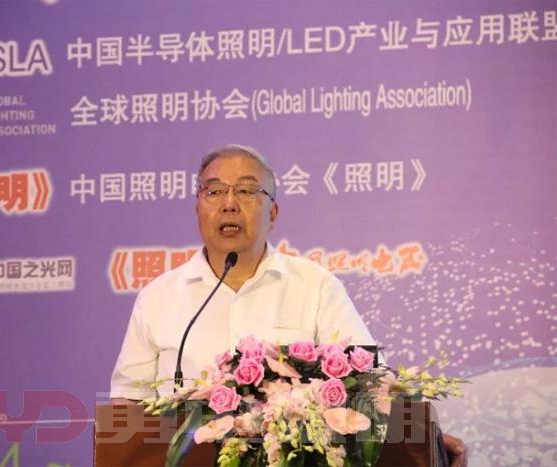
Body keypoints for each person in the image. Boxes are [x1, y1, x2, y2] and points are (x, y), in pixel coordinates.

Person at [110, 144, 467, 466]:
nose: (229, 203)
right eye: (214, 191)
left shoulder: (315, 286)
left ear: (273, 212)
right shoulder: (158, 297)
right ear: (198, 208)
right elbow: (127, 404)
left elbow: (372, 382)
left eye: (247, 190)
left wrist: (425, 442)